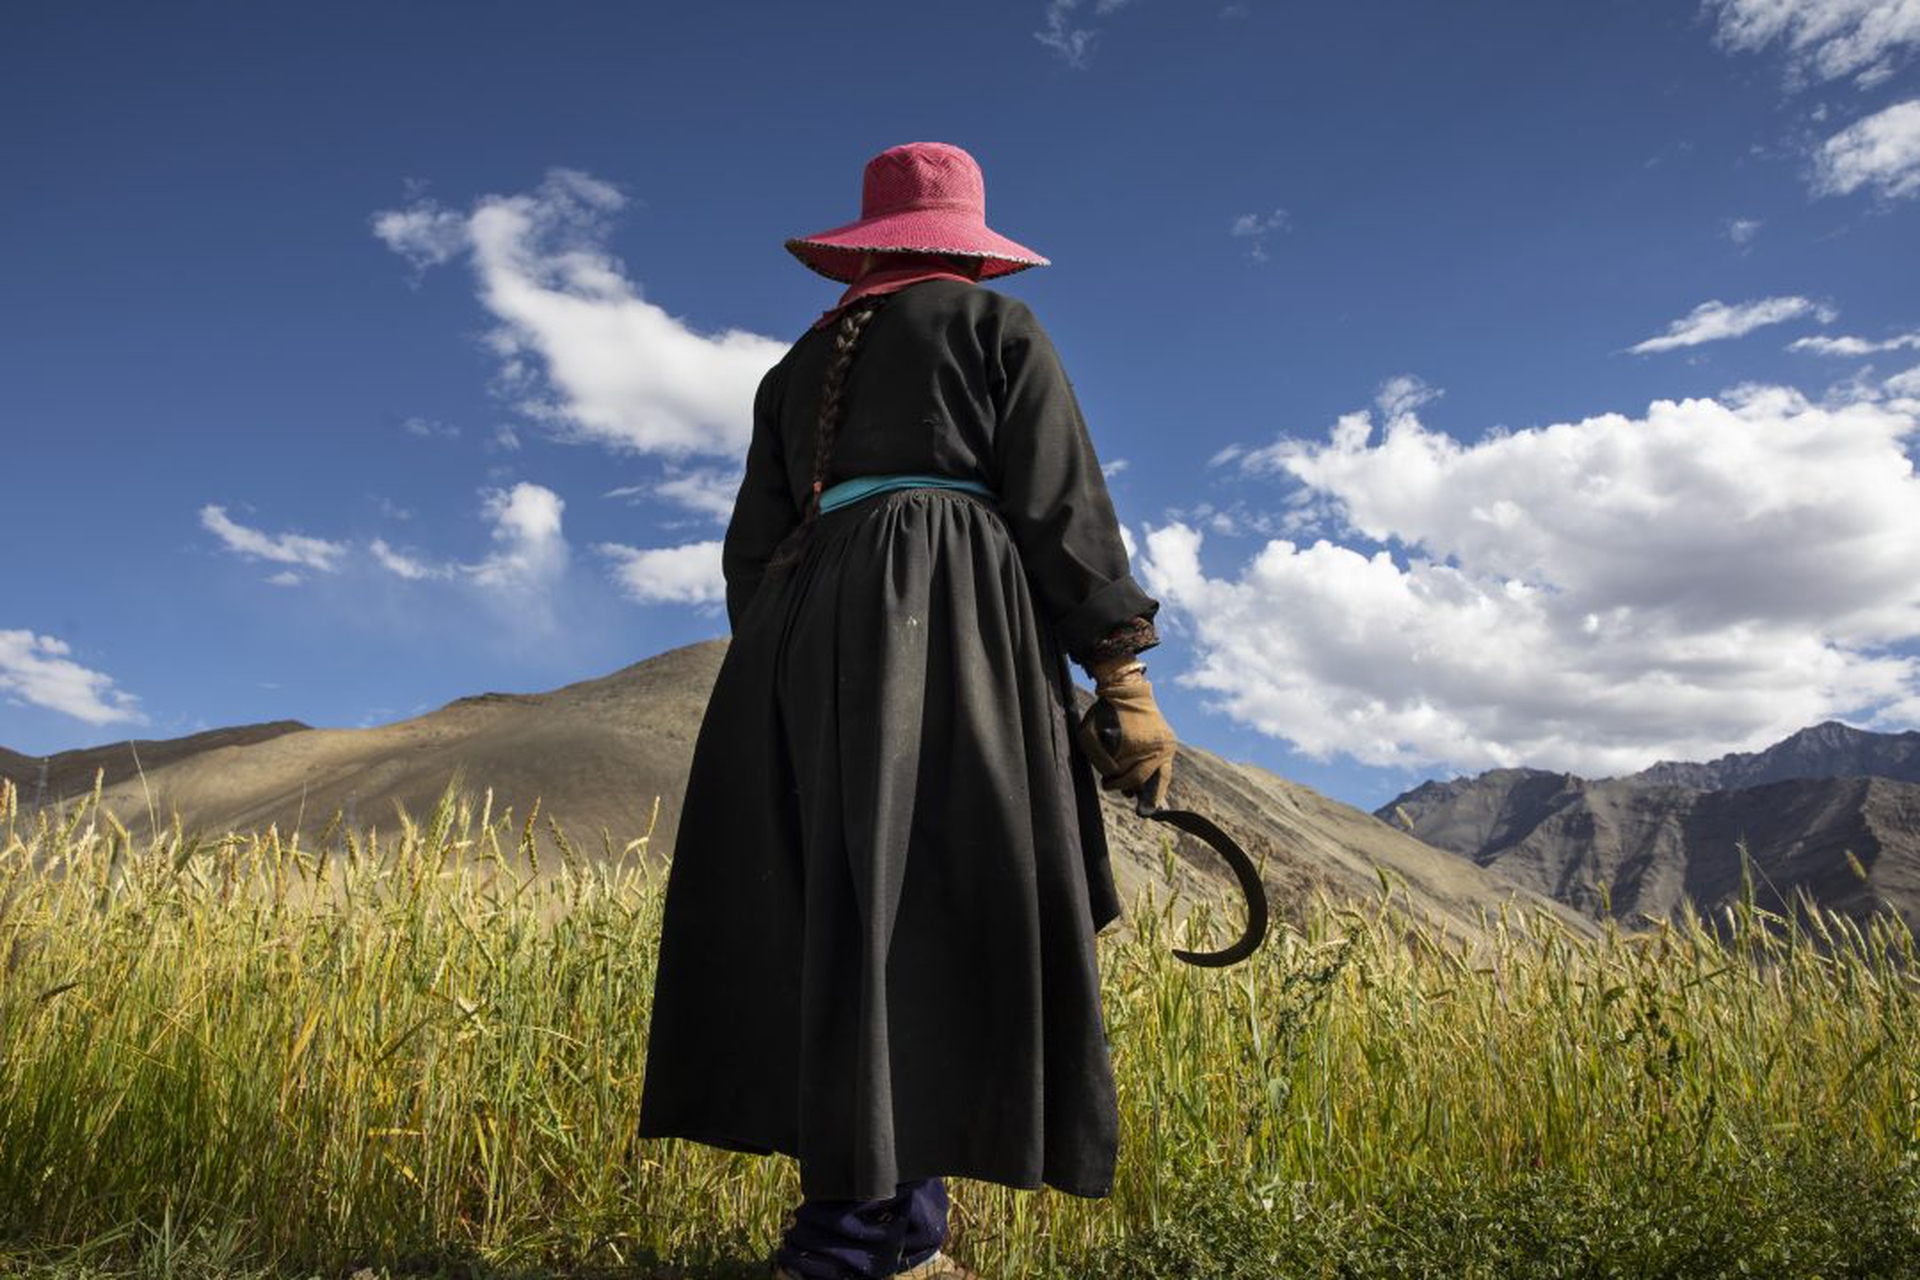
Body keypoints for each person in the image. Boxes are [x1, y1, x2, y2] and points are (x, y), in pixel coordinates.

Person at [635, 140, 1179, 1280]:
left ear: (870, 247)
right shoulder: (997, 328)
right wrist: (1120, 678)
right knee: (935, 900)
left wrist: (795, 669)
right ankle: (857, 1234)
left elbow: (749, 556)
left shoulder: (792, 369)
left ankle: (894, 1221)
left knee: (850, 913)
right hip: (953, 619)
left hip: (797, 640)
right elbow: (1062, 507)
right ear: (966, 248)